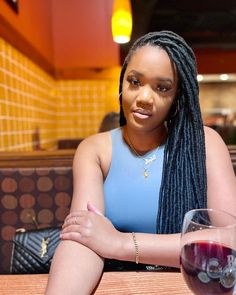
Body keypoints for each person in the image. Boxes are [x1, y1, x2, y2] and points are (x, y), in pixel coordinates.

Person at [46, 31, 236, 294]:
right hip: (116, 285)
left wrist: (121, 243)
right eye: (135, 81)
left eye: (162, 88)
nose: (145, 97)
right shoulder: (94, 150)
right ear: (122, 82)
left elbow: (230, 238)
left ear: (177, 97)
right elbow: (83, 239)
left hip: (188, 286)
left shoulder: (206, 144)